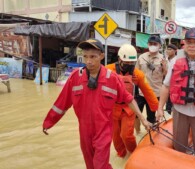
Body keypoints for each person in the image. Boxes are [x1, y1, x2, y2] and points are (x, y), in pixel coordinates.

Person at [42, 38, 150, 169]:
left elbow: (129, 99)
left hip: (103, 130)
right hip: (84, 131)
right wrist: (48, 122)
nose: (88, 61)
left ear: (101, 56)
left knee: (100, 165)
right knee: (90, 165)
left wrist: (143, 119)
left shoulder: (112, 79)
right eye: (85, 56)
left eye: (93, 56)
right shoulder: (75, 78)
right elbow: (61, 104)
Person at [105, 44, 158, 157]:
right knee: (116, 136)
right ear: (119, 59)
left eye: (131, 63)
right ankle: (122, 155)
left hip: (129, 107)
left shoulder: (138, 74)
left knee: (126, 135)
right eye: (126, 63)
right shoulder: (108, 70)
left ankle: (134, 154)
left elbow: (148, 91)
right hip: (112, 108)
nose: (129, 65)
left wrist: (156, 108)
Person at [135, 35, 168, 132]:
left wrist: (164, 67)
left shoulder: (163, 59)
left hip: (155, 92)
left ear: (159, 46)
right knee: (136, 115)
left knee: (151, 117)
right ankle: (137, 132)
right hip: (141, 92)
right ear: (148, 44)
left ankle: (150, 135)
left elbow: (166, 75)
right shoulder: (141, 57)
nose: (152, 45)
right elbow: (136, 72)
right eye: (150, 43)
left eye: (155, 44)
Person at [165, 43, 178, 114]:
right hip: (166, 85)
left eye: (170, 49)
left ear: (175, 51)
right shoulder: (165, 60)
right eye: (167, 49)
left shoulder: (177, 60)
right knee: (167, 103)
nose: (168, 51)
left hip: (174, 85)